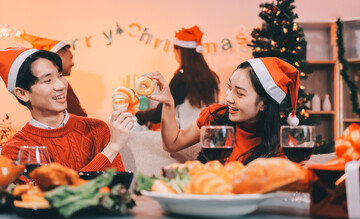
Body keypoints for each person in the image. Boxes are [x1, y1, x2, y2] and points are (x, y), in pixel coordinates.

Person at [145, 57, 300, 164]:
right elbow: (172, 144)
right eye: (229, 88)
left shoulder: (280, 144)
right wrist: (168, 103)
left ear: (263, 104)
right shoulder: (216, 116)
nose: (229, 98)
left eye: (239, 93)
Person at [0, 47, 134, 171]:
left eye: (60, 75)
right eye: (48, 80)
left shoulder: (97, 130)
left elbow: (118, 190)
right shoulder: (16, 149)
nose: (61, 86)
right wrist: (112, 148)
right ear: (22, 94)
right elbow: (47, 197)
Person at [135, 25, 219, 129]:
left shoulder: (180, 79)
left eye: (174, 51)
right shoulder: (212, 77)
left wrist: (141, 115)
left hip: (185, 138)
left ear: (179, 51)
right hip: (206, 135)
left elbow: (161, 113)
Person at [20, 32, 87, 117]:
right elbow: (77, 116)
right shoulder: (60, 86)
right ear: (58, 56)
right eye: (70, 58)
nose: (72, 63)